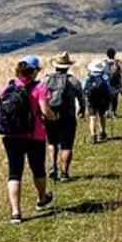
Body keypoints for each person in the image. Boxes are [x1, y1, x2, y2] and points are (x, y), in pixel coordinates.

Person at [0, 55, 54, 224]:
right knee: (38, 169)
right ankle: (42, 199)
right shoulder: (40, 87)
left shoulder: (8, 85)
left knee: (14, 173)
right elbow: (45, 111)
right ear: (34, 71)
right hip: (34, 135)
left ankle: (16, 213)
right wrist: (53, 117)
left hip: (11, 136)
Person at [44, 52, 86, 182]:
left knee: (51, 142)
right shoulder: (73, 80)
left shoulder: (46, 79)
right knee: (67, 146)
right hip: (68, 116)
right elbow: (81, 98)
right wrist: (82, 110)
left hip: (50, 116)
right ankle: (64, 173)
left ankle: (52, 166)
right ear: (68, 66)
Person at [83, 59, 113, 143]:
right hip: (102, 99)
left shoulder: (88, 77)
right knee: (102, 116)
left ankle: (93, 136)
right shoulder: (104, 76)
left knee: (93, 117)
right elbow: (109, 89)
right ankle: (102, 132)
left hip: (91, 100)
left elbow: (83, 88)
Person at [104, 47, 122, 118]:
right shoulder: (118, 62)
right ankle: (113, 112)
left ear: (107, 54)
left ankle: (107, 111)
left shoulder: (104, 62)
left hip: (106, 83)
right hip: (116, 84)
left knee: (106, 98)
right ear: (114, 54)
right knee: (115, 98)